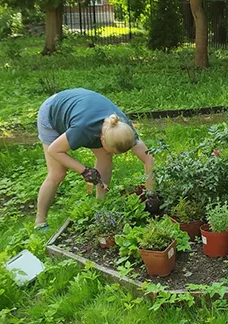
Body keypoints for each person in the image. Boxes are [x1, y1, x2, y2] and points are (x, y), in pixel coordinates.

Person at [35, 88, 153, 229]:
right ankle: (40, 221)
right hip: (52, 112)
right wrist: (84, 170)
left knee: (105, 155)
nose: (116, 155)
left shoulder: (123, 128)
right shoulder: (83, 130)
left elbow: (148, 159)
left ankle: (100, 205)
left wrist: (151, 194)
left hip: (82, 106)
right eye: (114, 151)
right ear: (102, 138)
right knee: (57, 173)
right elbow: (55, 150)